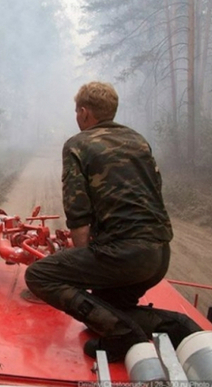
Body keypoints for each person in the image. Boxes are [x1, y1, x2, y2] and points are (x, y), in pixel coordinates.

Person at [25, 81, 201, 362]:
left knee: (39, 275)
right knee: (106, 309)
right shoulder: (138, 140)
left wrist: (82, 261)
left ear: (84, 113)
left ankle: (122, 337)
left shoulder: (77, 144)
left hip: (123, 255)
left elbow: (78, 211)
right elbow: (155, 187)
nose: (76, 116)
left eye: (76, 111)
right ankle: (176, 325)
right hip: (159, 254)